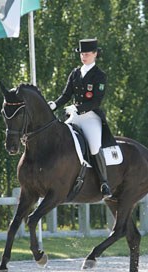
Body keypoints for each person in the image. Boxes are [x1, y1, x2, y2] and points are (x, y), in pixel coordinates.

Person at [49, 38, 115, 199]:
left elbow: (96, 101)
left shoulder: (99, 75)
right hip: (74, 116)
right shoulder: (75, 73)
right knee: (58, 138)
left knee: (93, 147)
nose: (83, 57)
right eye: (81, 54)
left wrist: (77, 108)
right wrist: (53, 105)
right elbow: (66, 95)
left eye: (86, 54)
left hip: (90, 117)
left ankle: (104, 183)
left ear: (94, 54)